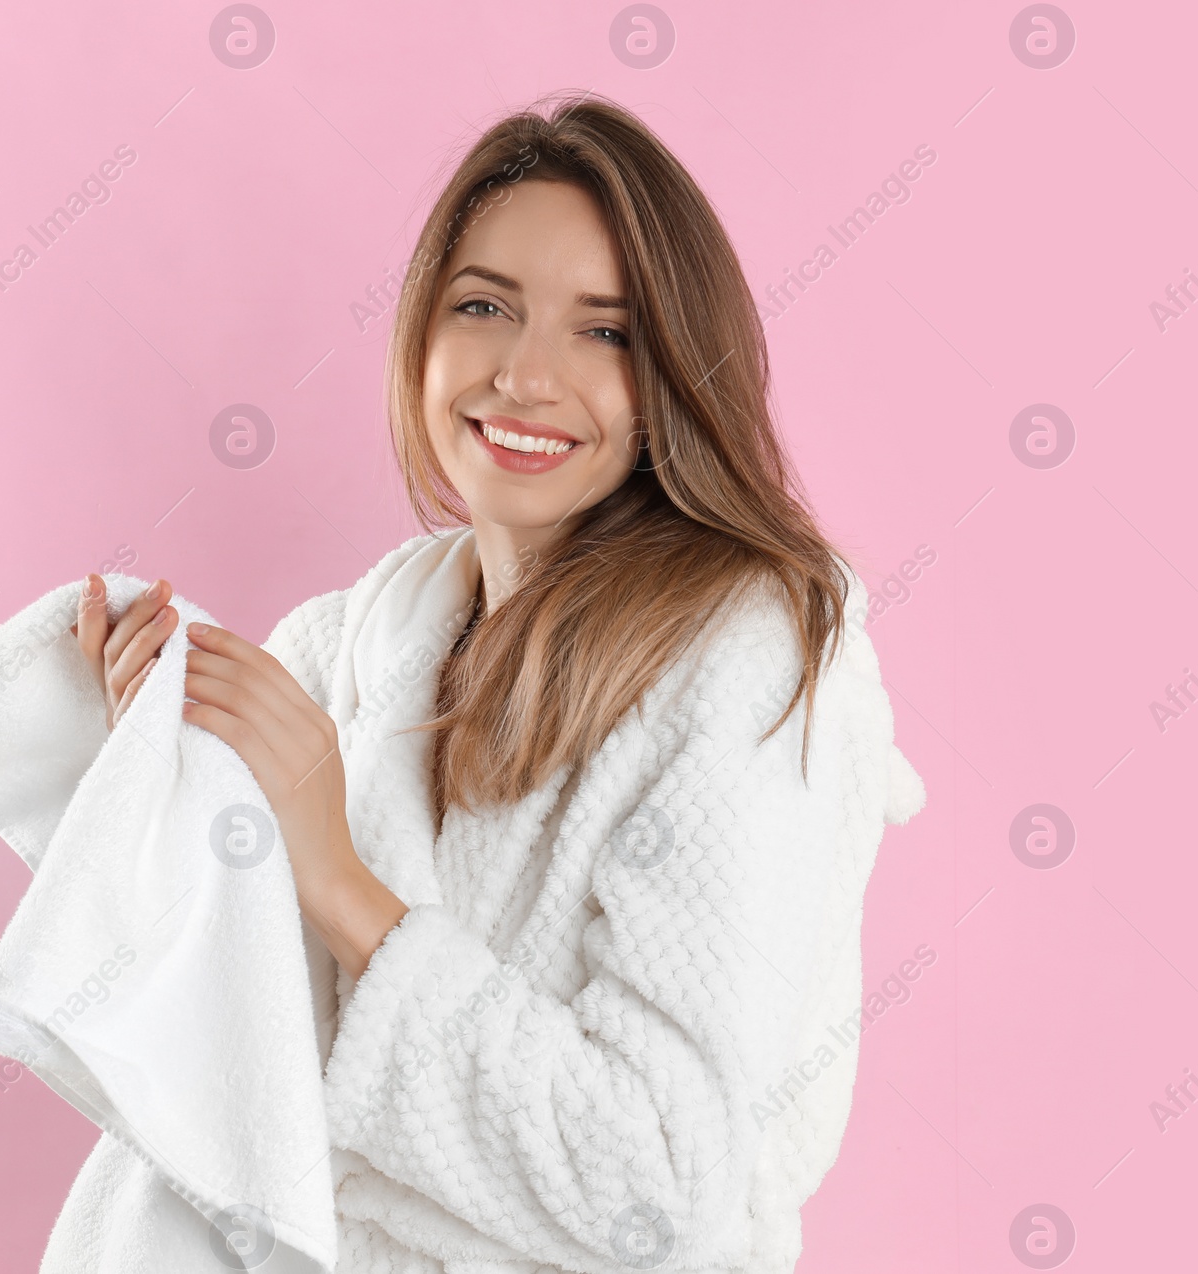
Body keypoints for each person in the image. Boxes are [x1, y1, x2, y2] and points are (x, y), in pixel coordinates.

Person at [71, 93, 925, 1274]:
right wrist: (165, 772)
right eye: (484, 307)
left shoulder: (751, 653)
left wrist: (335, 873)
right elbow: (212, 1053)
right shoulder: (352, 642)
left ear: (677, 370)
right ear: (419, 331)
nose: (525, 376)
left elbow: (656, 1185)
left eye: (605, 332)